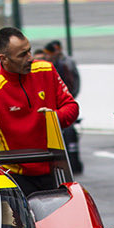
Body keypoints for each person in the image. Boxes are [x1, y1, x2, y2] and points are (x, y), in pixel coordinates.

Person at [0, 27, 79, 196]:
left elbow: (72, 107)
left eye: (29, 51)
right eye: (22, 55)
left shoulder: (46, 70)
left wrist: (54, 117)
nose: (30, 58)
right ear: (4, 59)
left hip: (53, 168)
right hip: (15, 176)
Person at [43, 39, 83, 174]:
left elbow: (74, 83)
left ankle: (73, 163)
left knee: (69, 134)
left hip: (63, 104)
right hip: (52, 105)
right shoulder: (47, 65)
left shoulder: (67, 64)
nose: (47, 56)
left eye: (49, 53)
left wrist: (68, 99)